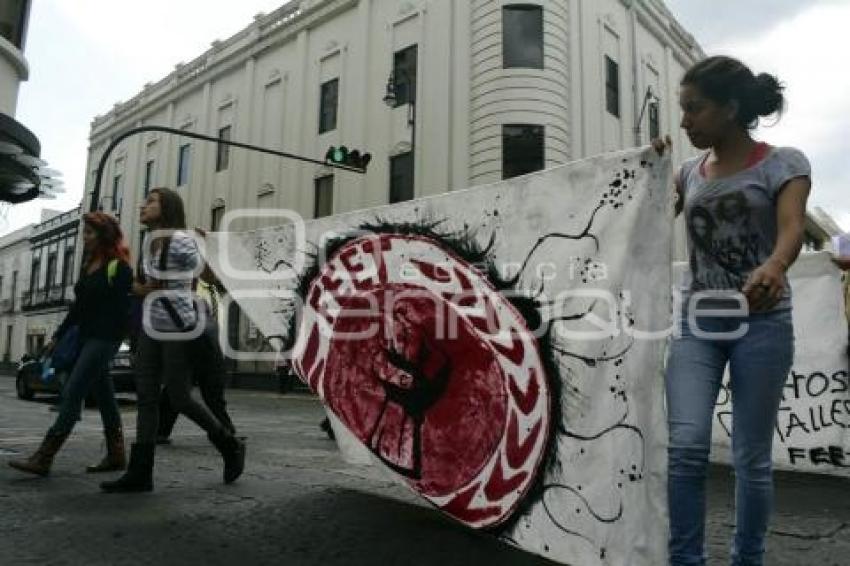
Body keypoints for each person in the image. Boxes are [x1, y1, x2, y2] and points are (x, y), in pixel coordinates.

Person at [661, 55, 811, 565]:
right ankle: (686, 561)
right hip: (697, 320)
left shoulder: (783, 163)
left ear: (729, 108)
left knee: (750, 458)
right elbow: (638, 216)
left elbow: (792, 227)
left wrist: (775, 264)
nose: (685, 122)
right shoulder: (686, 173)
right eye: (683, 111)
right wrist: (644, 170)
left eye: (694, 109)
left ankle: (748, 559)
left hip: (763, 323)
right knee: (684, 446)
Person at [100, 188, 245, 493]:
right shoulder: (150, 242)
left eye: (151, 201)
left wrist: (209, 248)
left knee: (179, 397)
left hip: (179, 328)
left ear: (167, 208)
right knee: (148, 397)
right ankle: (141, 473)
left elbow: (208, 277)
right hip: (154, 326)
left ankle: (228, 443)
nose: (143, 205)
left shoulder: (180, 240)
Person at [9, 212, 132, 476]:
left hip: (105, 339)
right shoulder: (89, 265)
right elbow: (78, 309)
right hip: (86, 337)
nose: (84, 238)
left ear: (103, 235)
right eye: (84, 232)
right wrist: (57, 337)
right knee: (106, 396)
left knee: (73, 389)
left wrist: (115, 338)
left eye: (89, 233)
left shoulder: (119, 267)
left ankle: (44, 456)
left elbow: (125, 310)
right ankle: (116, 454)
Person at [156, 263, 236, 443]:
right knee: (177, 391)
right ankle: (224, 429)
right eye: (214, 268)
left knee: (211, 390)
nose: (217, 273)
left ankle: (225, 427)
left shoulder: (215, 290)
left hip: (210, 345)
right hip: (192, 345)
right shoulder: (194, 286)